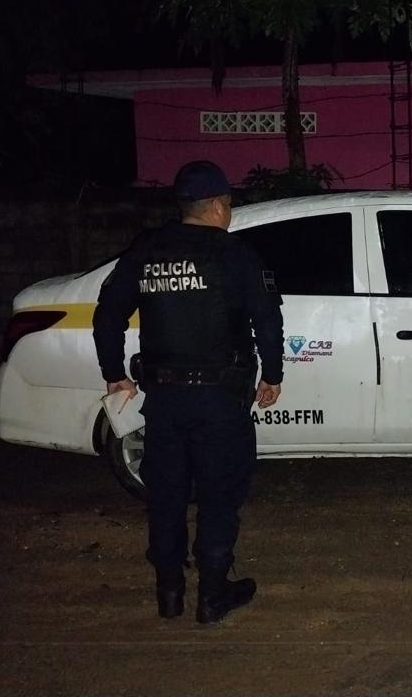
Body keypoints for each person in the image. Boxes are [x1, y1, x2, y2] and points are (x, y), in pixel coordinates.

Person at [92, 160, 284, 623]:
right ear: (217, 206)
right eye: (229, 205)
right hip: (220, 401)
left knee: (166, 494)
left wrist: (114, 373)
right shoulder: (235, 253)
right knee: (219, 493)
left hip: (164, 402)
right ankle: (213, 595)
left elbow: (108, 314)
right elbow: (267, 319)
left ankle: (170, 593)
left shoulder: (146, 250)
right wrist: (272, 375)